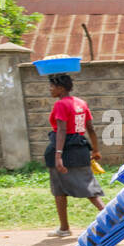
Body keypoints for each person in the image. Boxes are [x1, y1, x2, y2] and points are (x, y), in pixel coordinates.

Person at [45, 73, 105, 237]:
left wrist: (58, 156)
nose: (50, 89)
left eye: (52, 86)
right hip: (81, 147)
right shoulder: (81, 103)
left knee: (59, 189)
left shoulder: (60, 105)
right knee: (87, 185)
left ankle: (66, 228)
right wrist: (95, 149)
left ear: (61, 88)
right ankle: (105, 215)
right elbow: (90, 128)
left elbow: (62, 130)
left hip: (65, 149)